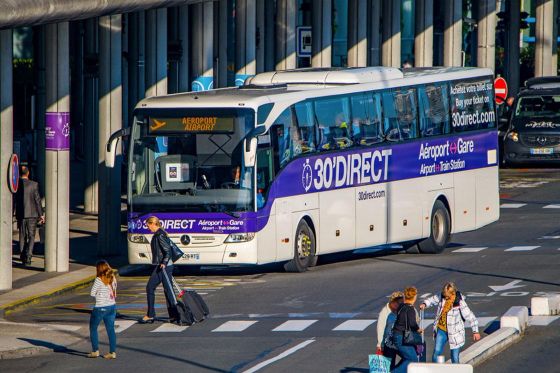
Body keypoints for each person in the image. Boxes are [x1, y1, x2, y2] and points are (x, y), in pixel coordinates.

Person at [419, 282, 480, 364]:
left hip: (455, 333)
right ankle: (434, 369)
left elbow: (471, 317)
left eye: (447, 295)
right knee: (437, 351)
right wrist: (425, 304)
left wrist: (475, 331)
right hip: (442, 329)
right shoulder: (442, 296)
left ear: (453, 293)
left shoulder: (460, 302)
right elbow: (432, 299)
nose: (446, 297)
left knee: (454, 356)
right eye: (444, 295)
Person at [141, 216, 178, 324]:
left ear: (153, 224)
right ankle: (173, 315)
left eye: (148, 226)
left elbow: (167, 252)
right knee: (164, 290)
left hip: (164, 266)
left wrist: (164, 263)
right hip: (163, 265)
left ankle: (153, 315)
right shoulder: (159, 233)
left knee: (163, 290)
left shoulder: (160, 235)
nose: (148, 228)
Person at [14, 166, 44, 266]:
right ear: (28, 173)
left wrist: (13, 212)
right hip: (32, 214)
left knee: (22, 236)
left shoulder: (17, 185)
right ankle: (29, 257)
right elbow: (37, 200)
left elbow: (15, 201)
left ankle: (22, 256)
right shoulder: (34, 185)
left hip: (21, 214)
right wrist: (41, 214)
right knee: (31, 236)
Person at [88, 260, 117, 359]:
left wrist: (100, 294)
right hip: (112, 306)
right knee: (111, 330)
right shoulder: (113, 278)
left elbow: (92, 293)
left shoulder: (98, 280)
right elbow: (114, 292)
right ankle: (112, 352)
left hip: (100, 307)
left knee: (93, 328)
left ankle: (95, 350)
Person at [392, 286, 423, 373]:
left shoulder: (401, 306)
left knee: (408, 358)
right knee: (412, 359)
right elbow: (412, 323)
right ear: (414, 297)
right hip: (402, 337)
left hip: (397, 335)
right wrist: (418, 329)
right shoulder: (410, 309)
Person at [376, 291, 403, 369]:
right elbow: (380, 328)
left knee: (408, 358)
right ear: (391, 302)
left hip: (398, 340)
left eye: (400, 302)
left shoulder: (400, 310)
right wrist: (379, 345)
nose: (398, 304)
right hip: (388, 343)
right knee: (389, 365)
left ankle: (396, 370)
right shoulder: (384, 312)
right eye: (396, 302)